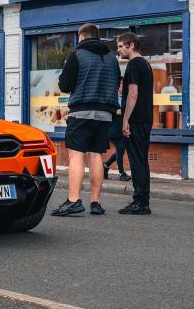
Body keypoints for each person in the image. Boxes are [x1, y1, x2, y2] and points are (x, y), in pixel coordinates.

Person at [50, 23, 120, 217]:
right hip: (105, 114)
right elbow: (117, 83)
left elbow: (64, 85)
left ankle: (74, 200)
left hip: (81, 112)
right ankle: (96, 202)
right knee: (96, 155)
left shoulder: (77, 55)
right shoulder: (112, 58)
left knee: (76, 155)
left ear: (81, 38)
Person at [117, 33, 154, 215]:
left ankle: (139, 203)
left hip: (136, 120)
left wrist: (125, 119)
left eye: (121, 46)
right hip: (145, 118)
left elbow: (133, 94)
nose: (119, 50)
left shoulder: (133, 64)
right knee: (142, 160)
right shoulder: (146, 64)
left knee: (136, 161)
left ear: (131, 45)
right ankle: (143, 201)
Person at [103, 109, 132, 182]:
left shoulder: (125, 99)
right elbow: (105, 109)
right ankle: (121, 173)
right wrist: (114, 111)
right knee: (120, 148)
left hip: (123, 129)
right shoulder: (113, 98)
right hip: (114, 129)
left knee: (121, 151)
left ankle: (106, 166)